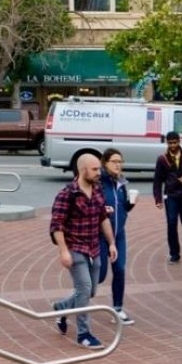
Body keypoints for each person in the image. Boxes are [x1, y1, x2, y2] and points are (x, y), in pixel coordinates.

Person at [49, 153, 117, 349]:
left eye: (99, 169)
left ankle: (61, 308)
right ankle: (83, 334)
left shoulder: (97, 190)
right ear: (82, 170)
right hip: (75, 247)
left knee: (90, 292)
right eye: (95, 169)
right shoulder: (67, 194)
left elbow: (103, 218)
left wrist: (111, 243)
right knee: (85, 288)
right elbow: (56, 225)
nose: (99, 172)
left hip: (94, 247)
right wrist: (64, 251)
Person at [98, 148, 136, 325]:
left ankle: (118, 309)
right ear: (105, 162)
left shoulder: (121, 182)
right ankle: (68, 305)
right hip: (99, 236)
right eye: (114, 161)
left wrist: (129, 206)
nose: (118, 165)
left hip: (119, 234)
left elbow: (122, 207)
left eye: (120, 161)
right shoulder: (98, 182)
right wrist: (102, 211)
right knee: (98, 276)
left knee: (120, 269)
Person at [153, 131, 182, 264]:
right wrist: (158, 199)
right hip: (171, 196)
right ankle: (174, 254)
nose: (172, 145)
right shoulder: (162, 159)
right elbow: (157, 180)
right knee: (171, 223)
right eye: (170, 143)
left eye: (175, 142)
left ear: (179, 141)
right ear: (167, 143)